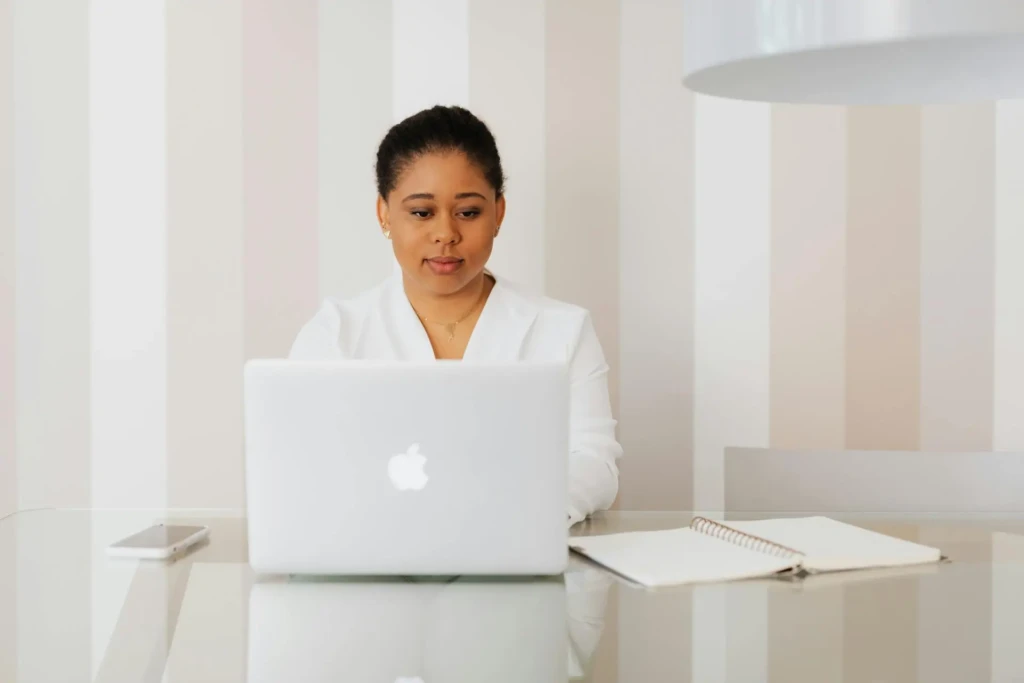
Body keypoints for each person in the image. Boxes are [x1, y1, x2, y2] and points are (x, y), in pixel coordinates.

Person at [289, 105, 622, 526]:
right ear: (383, 214)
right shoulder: (334, 334)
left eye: (468, 212)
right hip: (372, 564)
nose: (446, 233)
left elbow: (595, 465)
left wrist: (515, 517)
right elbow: (304, 471)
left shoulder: (564, 330)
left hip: (518, 563)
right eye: (422, 213)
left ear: (498, 213)